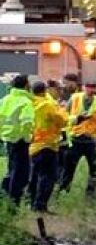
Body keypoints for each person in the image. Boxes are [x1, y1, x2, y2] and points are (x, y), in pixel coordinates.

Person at [60, 81, 96, 197]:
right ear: (84, 88)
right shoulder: (75, 98)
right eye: (89, 87)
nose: (91, 90)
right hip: (75, 139)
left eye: (93, 87)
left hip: (92, 140)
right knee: (68, 169)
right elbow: (64, 115)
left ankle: (90, 195)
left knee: (95, 170)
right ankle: (63, 192)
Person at [27, 81, 67, 213]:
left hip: (33, 145)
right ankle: (41, 205)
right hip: (48, 145)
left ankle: (31, 203)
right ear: (46, 90)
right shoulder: (48, 105)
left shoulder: (29, 103)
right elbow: (62, 121)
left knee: (34, 175)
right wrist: (62, 108)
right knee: (49, 176)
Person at [0, 74, 34, 205]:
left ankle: (4, 197)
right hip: (20, 141)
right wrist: (27, 137)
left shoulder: (5, 100)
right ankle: (14, 203)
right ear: (26, 85)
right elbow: (27, 123)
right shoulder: (26, 101)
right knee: (20, 173)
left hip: (8, 139)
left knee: (11, 169)